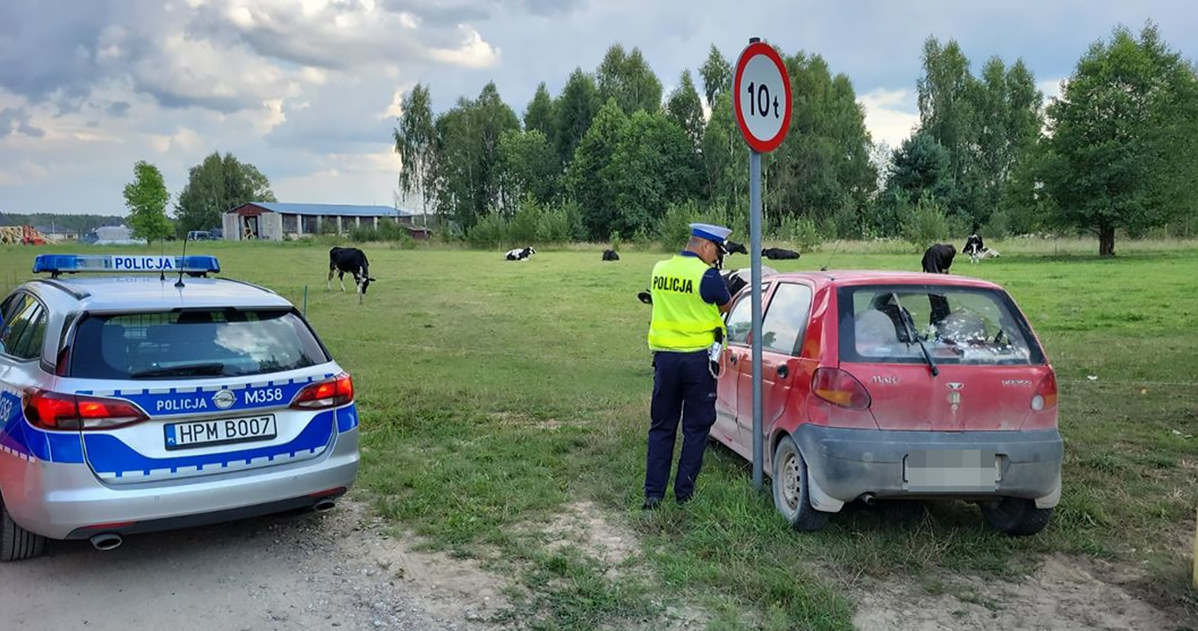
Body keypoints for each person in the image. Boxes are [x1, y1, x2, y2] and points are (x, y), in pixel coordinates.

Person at [642, 222, 733, 509]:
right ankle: (684, 494)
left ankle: (653, 496)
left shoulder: (659, 269)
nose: (716, 257)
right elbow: (724, 305)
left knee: (661, 426)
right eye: (716, 250)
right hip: (698, 362)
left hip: (665, 359)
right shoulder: (708, 276)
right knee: (696, 428)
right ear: (705, 246)